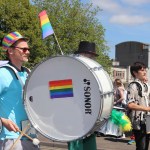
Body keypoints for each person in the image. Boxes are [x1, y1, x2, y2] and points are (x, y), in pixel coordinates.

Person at [0, 31, 39, 149]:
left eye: (28, 49)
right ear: (10, 51)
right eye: (23, 49)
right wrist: (2, 120)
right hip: (11, 137)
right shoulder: (2, 73)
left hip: (30, 134)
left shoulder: (28, 73)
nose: (27, 52)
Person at [68, 41, 98, 150]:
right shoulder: (70, 70)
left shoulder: (93, 73)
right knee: (76, 146)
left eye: (93, 57)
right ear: (81, 55)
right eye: (89, 56)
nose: (92, 59)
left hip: (89, 119)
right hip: (74, 118)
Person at [127, 61, 150, 150]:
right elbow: (130, 105)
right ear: (135, 73)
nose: (145, 72)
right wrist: (147, 108)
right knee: (141, 146)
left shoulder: (145, 85)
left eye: (145, 70)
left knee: (146, 146)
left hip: (147, 120)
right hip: (138, 121)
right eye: (142, 70)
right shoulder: (133, 86)